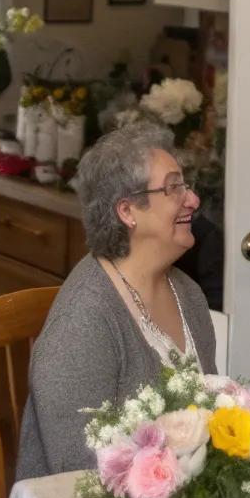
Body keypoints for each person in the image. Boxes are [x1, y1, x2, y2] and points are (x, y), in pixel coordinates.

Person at [16, 121, 217, 479]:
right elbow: (73, 471)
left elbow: (210, 416)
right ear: (127, 212)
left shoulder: (188, 294)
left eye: (186, 185)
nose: (193, 199)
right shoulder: (84, 320)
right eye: (173, 188)